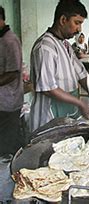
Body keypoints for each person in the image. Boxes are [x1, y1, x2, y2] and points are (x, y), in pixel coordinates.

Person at [29, 0, 89, 132]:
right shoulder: (45, 47)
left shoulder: (66, 45)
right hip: (49, 117)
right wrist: (80, 103)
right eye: (77, 23)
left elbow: (82, 74)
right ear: (63, 19)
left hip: (67, 113)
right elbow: (48, 88)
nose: (79, 29)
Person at [0, 6, 25, 160]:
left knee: (6, 144)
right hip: (2, 101)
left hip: (9, 101)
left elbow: (13, 73)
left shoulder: (10, 40)